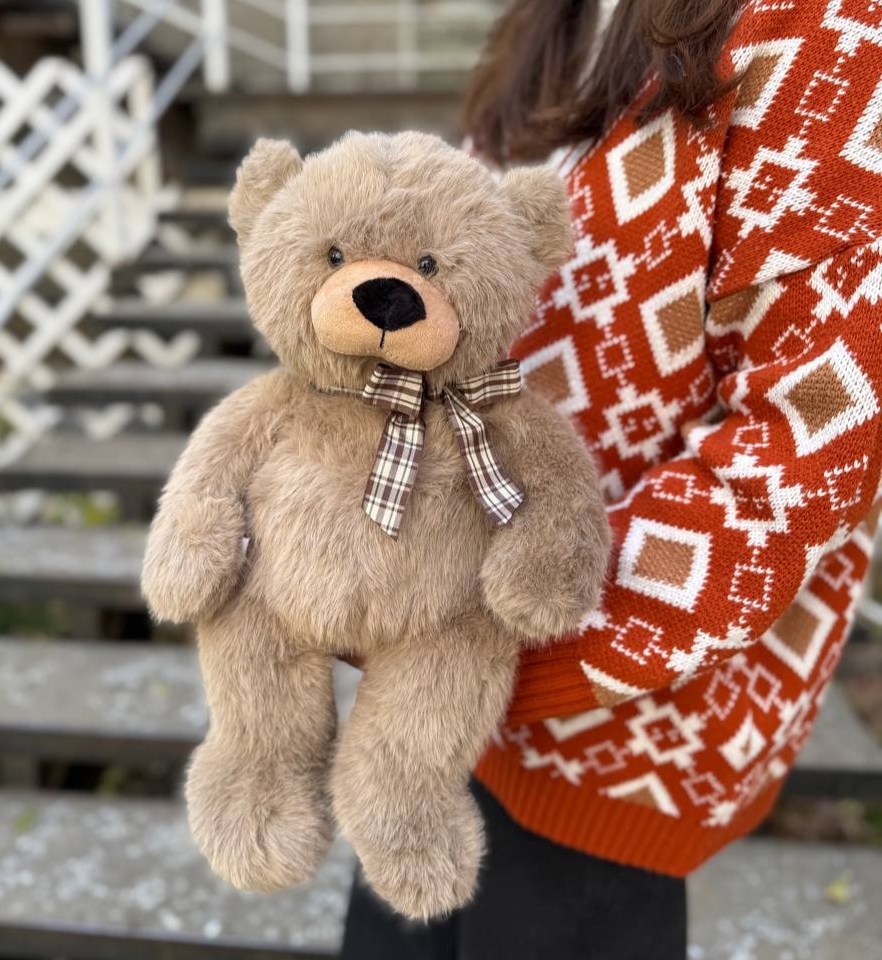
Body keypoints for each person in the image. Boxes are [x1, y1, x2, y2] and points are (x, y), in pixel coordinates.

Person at [339, 0, 882, 956]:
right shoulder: (553, 23)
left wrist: (467, 636)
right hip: (429, 718)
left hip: (616, 748)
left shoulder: (830, 33)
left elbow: (800, 457)